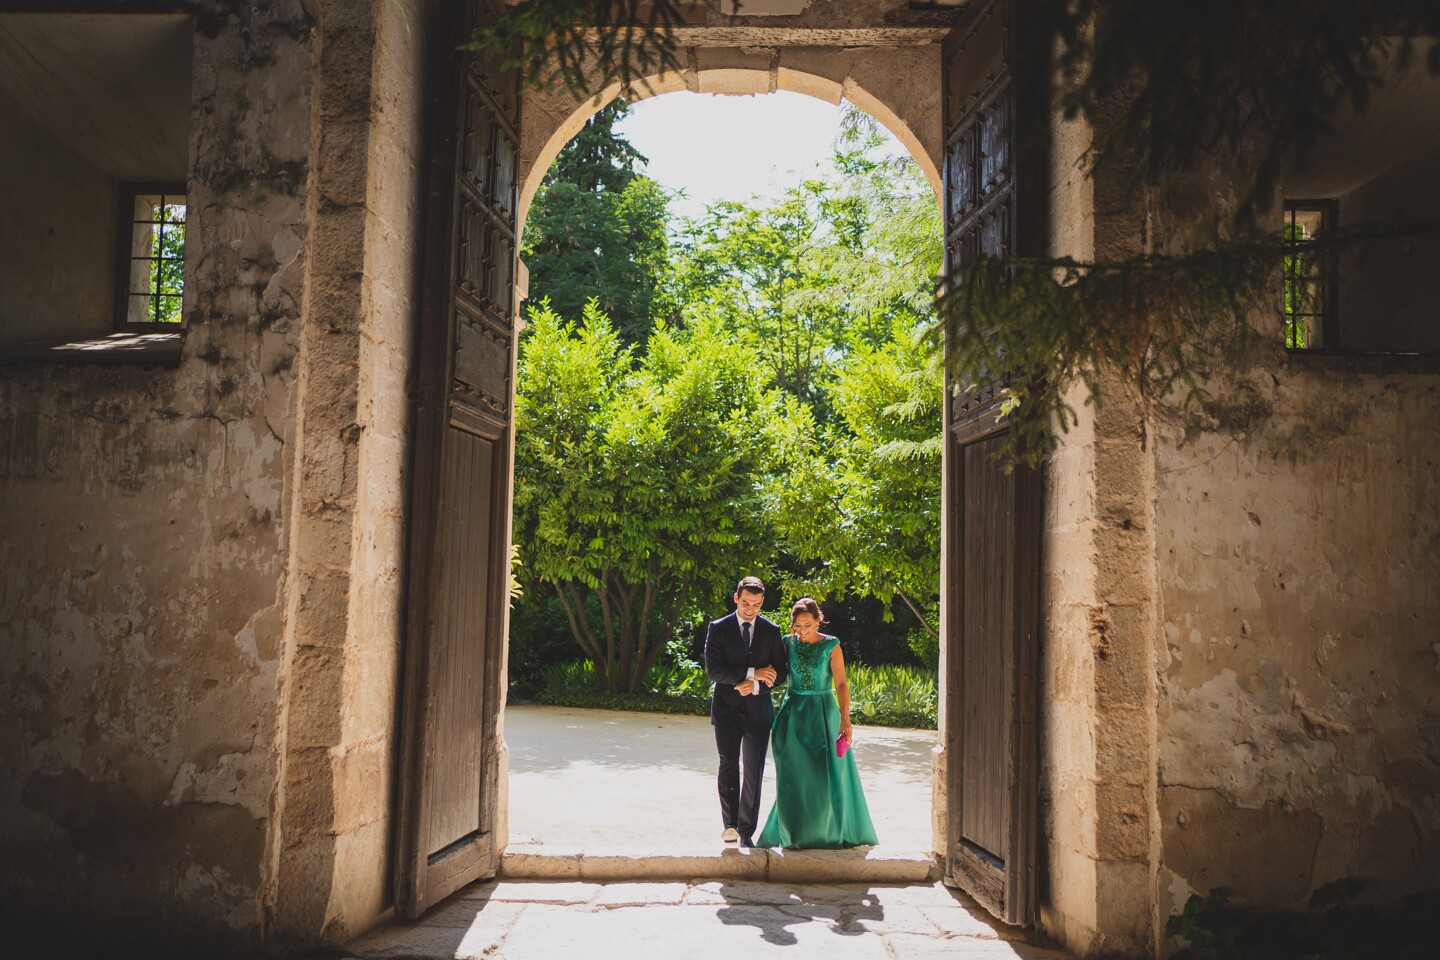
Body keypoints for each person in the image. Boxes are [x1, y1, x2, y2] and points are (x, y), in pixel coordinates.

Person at [756, 597, 878, 849]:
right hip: (792, 713)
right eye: (798, 625)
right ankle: (793, 834)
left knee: (824, 773)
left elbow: (841, 683)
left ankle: (825, 832)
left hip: (823, 713)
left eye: (807, 624)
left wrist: (845, 718)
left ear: (818, 620)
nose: (802, 630)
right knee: (792, 774)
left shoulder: (831, 645)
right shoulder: (787, 643)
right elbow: (775, 672)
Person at [704, 575, 788, 846]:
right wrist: (752, 673)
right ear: (736, 598)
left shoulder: (771, 631)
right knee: (728, 764)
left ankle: (745, 832)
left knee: (754, 770)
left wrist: (754, 687)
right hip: (726, 710)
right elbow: (714, 671)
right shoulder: (718, 628)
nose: (750, 609)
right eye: (746, 603)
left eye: (756, 604)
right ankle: (729, 825)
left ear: (762, 603)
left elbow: (781, 672)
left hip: (758, 710)